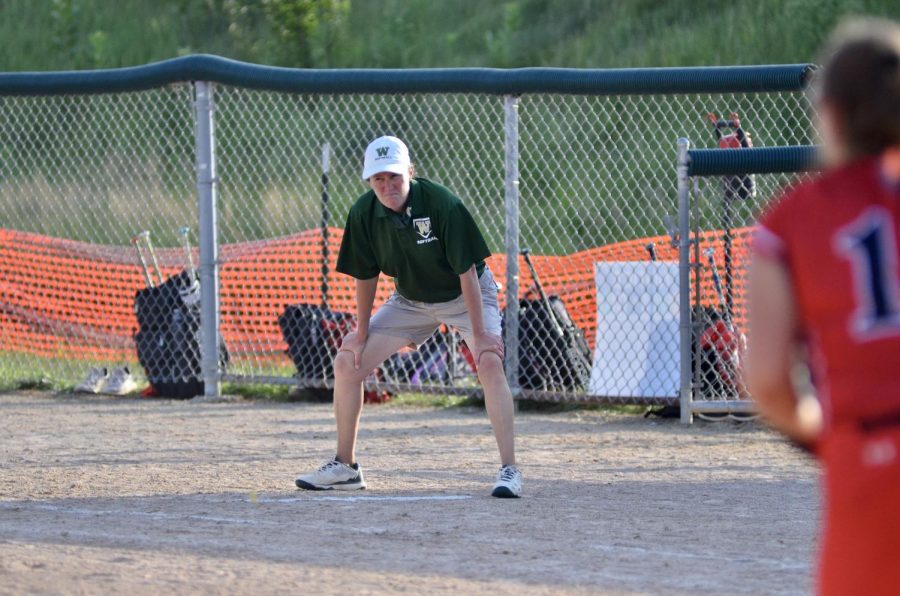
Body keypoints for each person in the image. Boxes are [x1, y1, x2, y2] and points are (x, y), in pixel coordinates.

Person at [746, 18, 900, 596]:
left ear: (830, 115)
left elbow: (765, 379)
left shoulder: (795, 218)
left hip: (872, 457)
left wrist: (820, 432)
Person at [295, 135, 522, 498]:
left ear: (410, 173)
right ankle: (345, 466)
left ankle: (510, 470)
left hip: (466, 296)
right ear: (369, 181)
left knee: (489, 362)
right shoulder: (363, 213)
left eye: (395, 177)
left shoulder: (442, 204)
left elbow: (467, 273)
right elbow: (366, 275)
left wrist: (479, 334)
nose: (387, 186)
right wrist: (360, 331)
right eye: (378, 179)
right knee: (347, 362)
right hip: (411, 301)